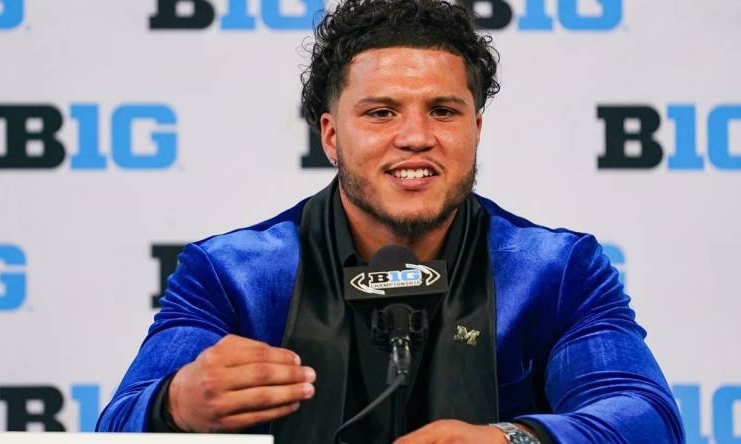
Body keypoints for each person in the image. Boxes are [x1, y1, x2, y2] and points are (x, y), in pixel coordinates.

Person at [96, 0, 685, 442]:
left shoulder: (557, 269)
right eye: (381, 113)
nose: (415, 137)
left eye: (443, 111)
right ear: (331, 135)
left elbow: (645, 415)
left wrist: (510, 438)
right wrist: (174, 405)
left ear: (476, 130)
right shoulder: (231, 274)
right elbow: (117, 424)